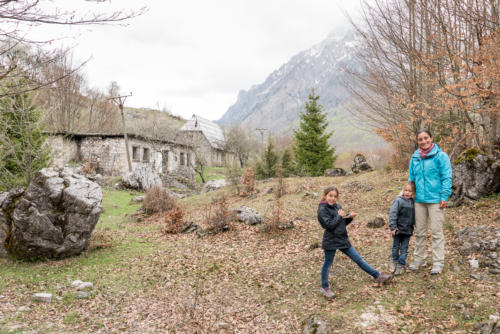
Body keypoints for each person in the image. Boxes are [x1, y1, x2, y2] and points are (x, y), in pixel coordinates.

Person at [318, 186, 392, 299]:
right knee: (327, 264)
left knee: (358, 259)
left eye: (335, 196)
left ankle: (377, 275)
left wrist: (349, 218)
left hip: (342, 239)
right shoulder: (322, 209)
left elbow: (340, 223)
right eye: (330, 196)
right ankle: (324, 287)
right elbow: (328, 225)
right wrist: (339, 216)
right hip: (331, 240)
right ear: (325, 196)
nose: (332, 198)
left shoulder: (337, 206)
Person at [408, 129, 452, 275]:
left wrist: (444, 196)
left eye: (426, 138)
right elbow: (411, 179)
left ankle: (438, 262)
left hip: (435, 200)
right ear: (417, 141)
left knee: (436, 232)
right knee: (419, 232)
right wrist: (407, 195)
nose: (423, 141)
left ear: (431, 138)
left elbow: (447, 177)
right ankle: (420, 259)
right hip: (419, 200)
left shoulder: (441, 156)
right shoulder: (414, 157)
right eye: (420, 139)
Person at [389, 181, 416, 276]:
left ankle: (401, 264)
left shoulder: (413, 202)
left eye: (410, 191)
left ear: (413, 193)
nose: (407, 193)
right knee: (395, 247)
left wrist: (414, 225)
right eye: (406, 190)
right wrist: (393, 227)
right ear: (403, 190)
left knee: (404, 248)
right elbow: (393, 214)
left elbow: (414, 216)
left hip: (408, 230)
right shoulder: (398, 201)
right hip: (398, 230)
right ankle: (395, 261)